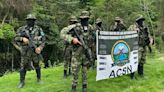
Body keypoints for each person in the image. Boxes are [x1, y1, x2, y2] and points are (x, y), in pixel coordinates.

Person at [60, 11, 93, 92]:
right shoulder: (74, 27)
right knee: (75, 72)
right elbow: (62, 33)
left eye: (86, 19)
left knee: (85, 71)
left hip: (86, 53)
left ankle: (84, 86)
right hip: (76, 54)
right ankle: (73, 87)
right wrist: (72, 39)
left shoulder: (90, 27)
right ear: (80, 19)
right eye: (83, 19)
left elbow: (94, 37)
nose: (84, 20)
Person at [14, 14, 45, 88]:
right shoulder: (22, 29)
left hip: (35, 51)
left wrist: (40, 48)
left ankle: (39, 79)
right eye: (29, 20)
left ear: (34, 21)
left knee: (37, 64)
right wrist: (22, 39)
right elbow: (15, 38)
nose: (31, 21)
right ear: (26, 21)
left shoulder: (39, 29)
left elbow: (43, 39)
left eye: (32, 20)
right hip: (25, 51)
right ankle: (21, 82)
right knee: (23, 66)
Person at [128, 15, 151, 79]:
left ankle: (141, 74)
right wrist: (135, 30)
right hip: (137, 46)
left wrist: (149, 46)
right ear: (138, 21)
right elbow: (128, 33)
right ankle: (132, 75)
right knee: (136, 60)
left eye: (143, 21)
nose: (142, 22)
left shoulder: (145, 28)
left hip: (144, 46)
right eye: (141, 21)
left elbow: (147, 37)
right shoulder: (133, 27)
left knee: (142, 60)